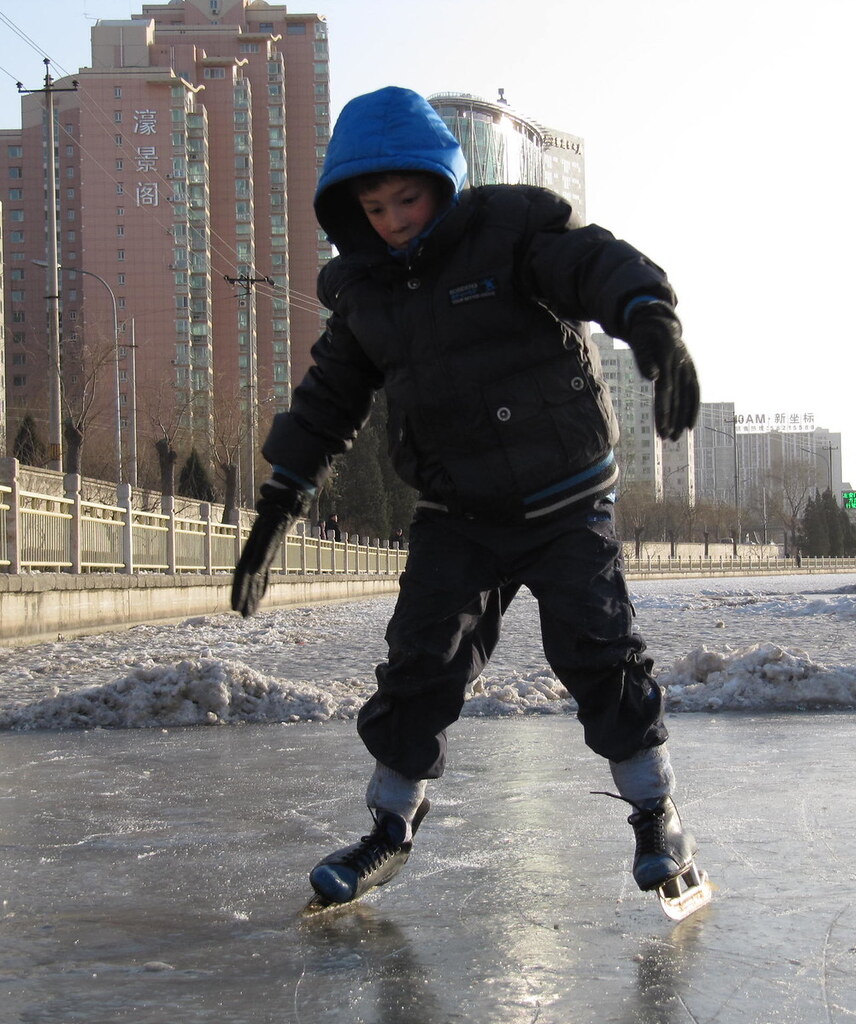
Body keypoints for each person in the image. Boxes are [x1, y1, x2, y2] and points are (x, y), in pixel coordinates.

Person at [231, 86, 701, 909]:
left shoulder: (509, 231)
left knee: (599, 654)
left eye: (406, 197)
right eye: (372, 207)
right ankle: (388, 827)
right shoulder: (365, 293)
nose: (392, 219)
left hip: (563, 497)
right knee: (421, 660)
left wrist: (650, 319)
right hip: (459, 513)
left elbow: (589, 264)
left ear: (442, 181)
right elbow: (327, 400)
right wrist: (278, 504)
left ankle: (657, 816)